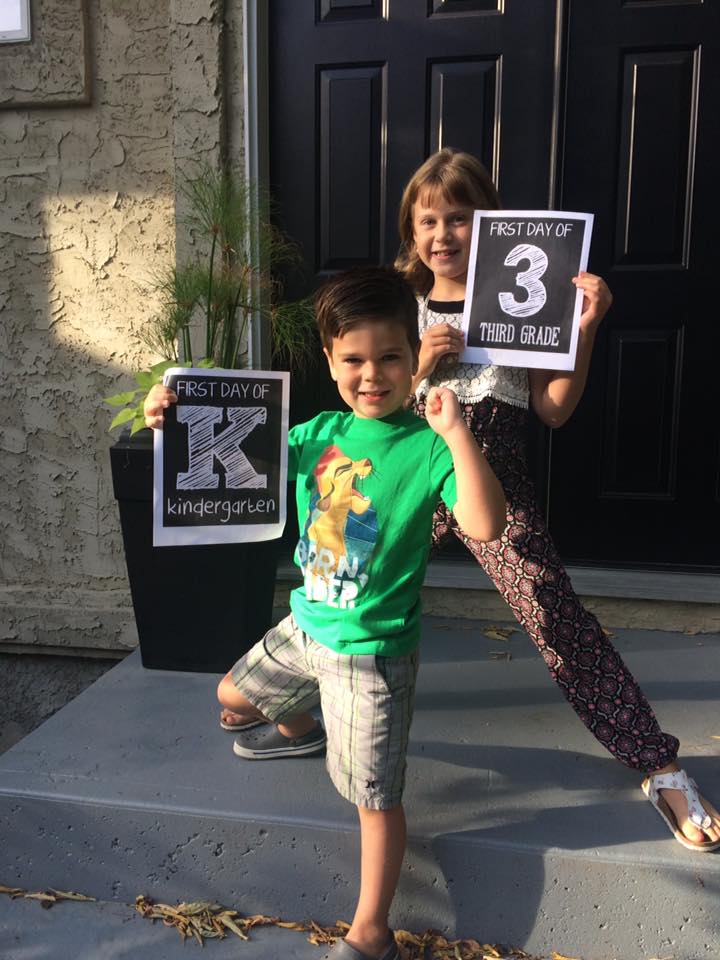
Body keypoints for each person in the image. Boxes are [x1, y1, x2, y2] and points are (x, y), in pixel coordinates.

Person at [144, 266, 507, 960]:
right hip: (305, 627)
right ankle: (300, 728)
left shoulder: (429, 446)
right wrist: (172, 416)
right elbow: (226, 458)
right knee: (230, 698)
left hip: (372, 655)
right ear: (330, 360)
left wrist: (458, 432)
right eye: (354, 360)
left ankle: (372, 932)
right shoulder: (316, 432)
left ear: (415, 356)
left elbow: (486, 524)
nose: (372, 375)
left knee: (373, 798)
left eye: (390, 357)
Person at [391, 146, 720, 853]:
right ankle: (274, 693)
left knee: (557, 618)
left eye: (459, 218)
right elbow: (365, 401)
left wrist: (585, 329)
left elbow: (554, 409)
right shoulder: (398, 307)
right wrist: (419, 364)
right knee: (351, 586)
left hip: (493, 482)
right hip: (409, 472)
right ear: (411, 231)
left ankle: (658, 764)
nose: (443, 234)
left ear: (490, 226)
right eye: (429, 221)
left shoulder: (523, 303)